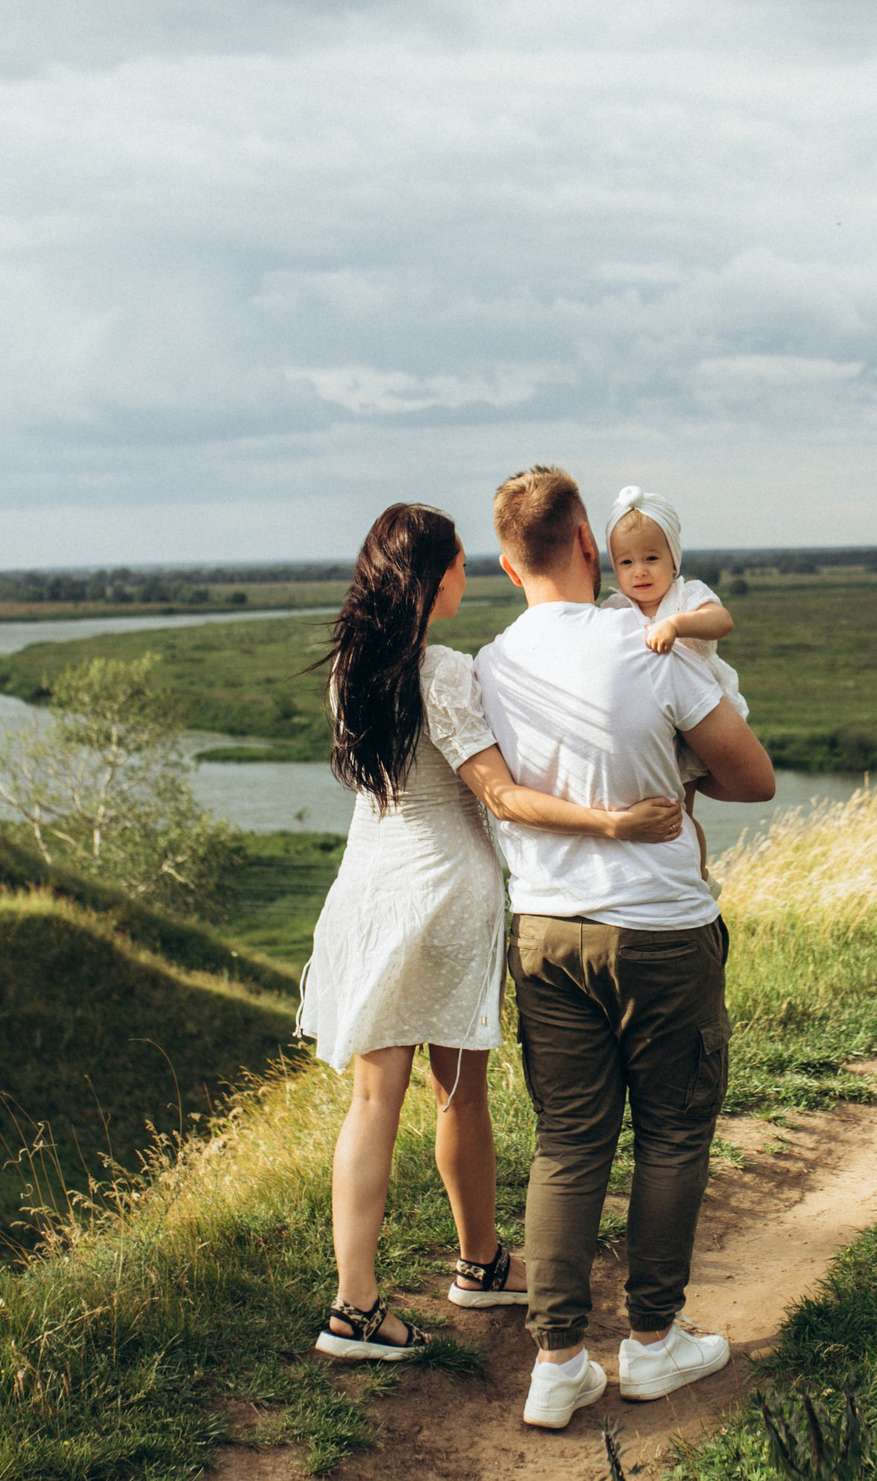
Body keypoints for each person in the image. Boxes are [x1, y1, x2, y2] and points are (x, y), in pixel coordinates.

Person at [295, 503, 686, 1363]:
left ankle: (378, 1292)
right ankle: (445, 1274)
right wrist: (613, 821)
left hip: (368, 888)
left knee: (374, 1099)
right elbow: (501, 796)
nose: (467, 578)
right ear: (431, 577)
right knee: (456, 1092)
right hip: (443, 893)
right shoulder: (441, 670)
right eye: (460, 564)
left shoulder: (350, 670)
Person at [472, 466, 777, 1430]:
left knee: (568, 1141)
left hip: (545, 932)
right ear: (588, 545)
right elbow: (755, 778)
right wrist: (680, 781)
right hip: (660, 932)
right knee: (673, 1133)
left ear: (507, 563)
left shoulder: (489, 665)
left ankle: (557, 1361)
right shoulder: (653, 643)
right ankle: (651, 1341)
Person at [598, 485, 745, 876]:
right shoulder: (615, 608)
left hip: (698, 719)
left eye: (651, 558)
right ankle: (657, 873)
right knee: (658, 808)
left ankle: (698, 876)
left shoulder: (687, 595)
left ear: (674, 560)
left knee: (683, 810)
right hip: (649, 723)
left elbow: (722, 621)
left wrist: (676, 625)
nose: (640, 570)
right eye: (626, 562)